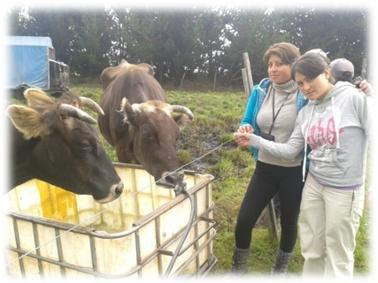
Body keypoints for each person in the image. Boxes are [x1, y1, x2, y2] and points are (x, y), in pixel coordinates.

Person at [234, 52, 370, 277]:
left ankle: (282, 268)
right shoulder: (306, 111)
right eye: (301, 83)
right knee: (312, 248)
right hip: (314, 183)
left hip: (339, 187)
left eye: (309, 80)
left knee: (338, 251)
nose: (306, 87)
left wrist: (370, 94)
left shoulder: (352, 99)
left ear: (327, 73)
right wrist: (253, 139)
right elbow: (289, 149)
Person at [231, 42, 308, 274]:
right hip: (264, 167)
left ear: (294, 65)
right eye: (270, 64)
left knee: (288, 222)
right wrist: (245, 129)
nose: (273, 69)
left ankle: (280, 269)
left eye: (280, 64)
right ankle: (239, 267)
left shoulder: (304, 94)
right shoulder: (261, 90)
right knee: (245, 219)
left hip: (293, 170)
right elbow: (248, 120)